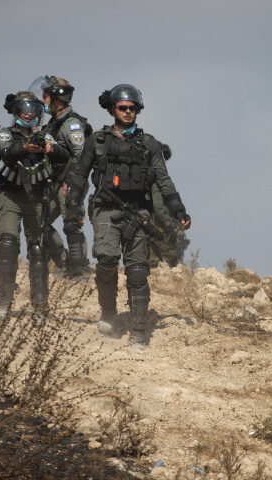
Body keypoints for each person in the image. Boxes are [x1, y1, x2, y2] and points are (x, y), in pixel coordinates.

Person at [65, 84, 191, 350]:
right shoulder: (97, 141)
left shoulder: (149, 145)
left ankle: (139, 329)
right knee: (107, 260)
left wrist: (179, 210)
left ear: (138, 111)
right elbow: (79, 175)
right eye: (123, 108)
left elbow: (164, 181)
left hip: (138, 212)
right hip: (105, 208)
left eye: (132, 108)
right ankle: (108, 312)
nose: (128, 112)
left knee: (137, 272)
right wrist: (73, 204)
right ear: (113, 110)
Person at [0, 91, 69, 320]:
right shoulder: (5, 134)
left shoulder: (44, 136)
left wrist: (50, 149)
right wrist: (24, 148)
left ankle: (38, 306)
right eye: (24, 109)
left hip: (36, 198)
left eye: (34, 109)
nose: (29, 114)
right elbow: (6, 154)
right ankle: (4, 303)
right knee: (7, 244)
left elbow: (64, 155)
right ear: (16, 111)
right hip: (11, 196)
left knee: (38, 249)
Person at [31, 75, 93, 277]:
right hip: (54, 182)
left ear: (58, 99)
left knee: (71, 223)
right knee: (39, 222)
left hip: (70, 181)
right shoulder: (52, 124)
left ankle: (80, 269)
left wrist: (73, 184)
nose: (43, 101)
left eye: (46, 97)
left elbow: (81, 155)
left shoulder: (71, 124)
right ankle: (65, 264)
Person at [148, 143, 189, 268]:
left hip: (157, 221)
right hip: (159, 223)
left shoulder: (155, 177)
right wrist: (169, 223)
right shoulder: (154, 179)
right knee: (171, 256)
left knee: (154, 259)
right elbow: (158, 205)